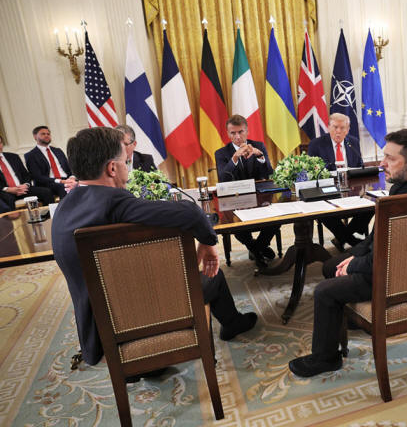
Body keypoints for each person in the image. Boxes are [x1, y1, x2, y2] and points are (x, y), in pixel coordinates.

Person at [51, 127, 257, 372]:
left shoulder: (64, 208)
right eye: (125, 162)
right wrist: (208, 243)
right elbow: (191, 212)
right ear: (112, 168)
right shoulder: (114, 202)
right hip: (145, 314)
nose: (128, 169)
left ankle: (145, 365)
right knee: (214, 276)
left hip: (99, 326)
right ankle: (232, 324)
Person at [288, 128, 407, 377]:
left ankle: (326, 358)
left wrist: (354, 265)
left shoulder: (405, 203)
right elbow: (376, 239)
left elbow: (385, 258)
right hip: (390, 263)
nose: (382, 163)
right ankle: (351, 317)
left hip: (395, 278)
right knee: (330, 265)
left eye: (390, 158)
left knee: (324, 291)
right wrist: (354, 256)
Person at [214, 115, 279, 267]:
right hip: (235, 200)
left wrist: (260, 156)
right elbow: (223, 179)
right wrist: (234, 158)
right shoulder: (221, 153)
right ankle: (258, 249)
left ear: (247, 131)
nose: (237, 136)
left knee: (276, 221)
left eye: (240, 132)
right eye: (233, 133)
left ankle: (257, 248)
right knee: (236, 227)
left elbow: (269, 173)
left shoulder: (258, 146)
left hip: (259, 198)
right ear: (228, 134)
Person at [308, 113, 372, 250]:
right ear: (328, 127)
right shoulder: (316, 144)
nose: (338, 131)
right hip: (327, 190)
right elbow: (311, 172)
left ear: (347, 129)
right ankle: (353, 241)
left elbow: (359, 166)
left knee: (371, 204)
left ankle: (341, 238)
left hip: (351, 189)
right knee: (323, 211)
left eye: (342, 128)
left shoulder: (353, 142)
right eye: (335, 127)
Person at [0, 134, 53, 209]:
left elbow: (26, 174)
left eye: (0, 143)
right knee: (8, 200)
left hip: (23, 188)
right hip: (6, 192)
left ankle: (50, 214)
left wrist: (26, 185)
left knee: (46, 192)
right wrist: (8, 189)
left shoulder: (13, 157)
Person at [24, 126, 77, 199]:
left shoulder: (58, 151)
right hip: (49, 182)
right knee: (64, 187)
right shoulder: (31, 155)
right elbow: (37, 176)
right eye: (43, 134)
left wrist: (72, 177)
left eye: (48, 134)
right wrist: (60, 181)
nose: (46, 135)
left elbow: (69, 167)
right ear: (35, 136)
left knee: (84, 183)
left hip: (67, 179)